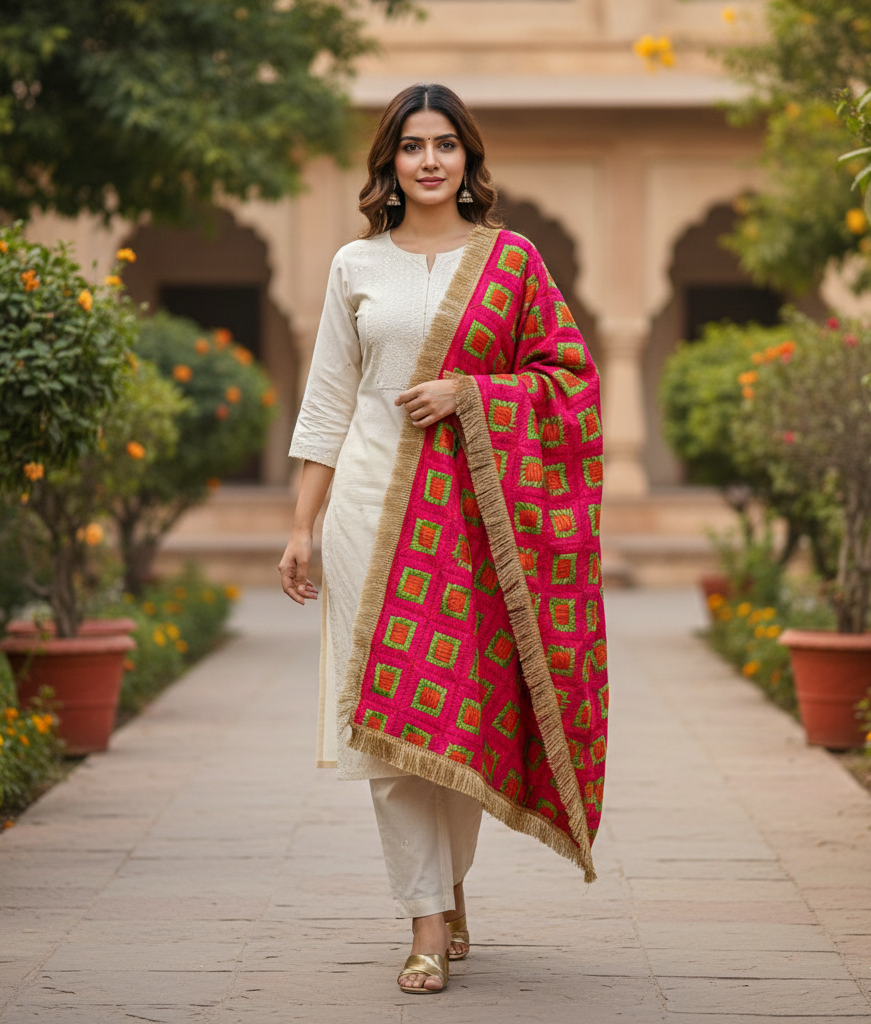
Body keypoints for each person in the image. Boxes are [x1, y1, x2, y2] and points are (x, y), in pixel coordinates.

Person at [280, 83, 609, 996]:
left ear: (469, 159)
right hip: (364, 518)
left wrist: (472, 393)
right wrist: (301, 528)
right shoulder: (356, 264)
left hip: (469, 522)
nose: (429, 161)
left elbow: (570, 377)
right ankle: (425, 920)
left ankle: (450, 882)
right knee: (392, 736)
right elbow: (328, 402)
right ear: (388, 162)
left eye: (445, 145)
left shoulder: (511, 262)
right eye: (411, 146)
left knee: (458, 717)